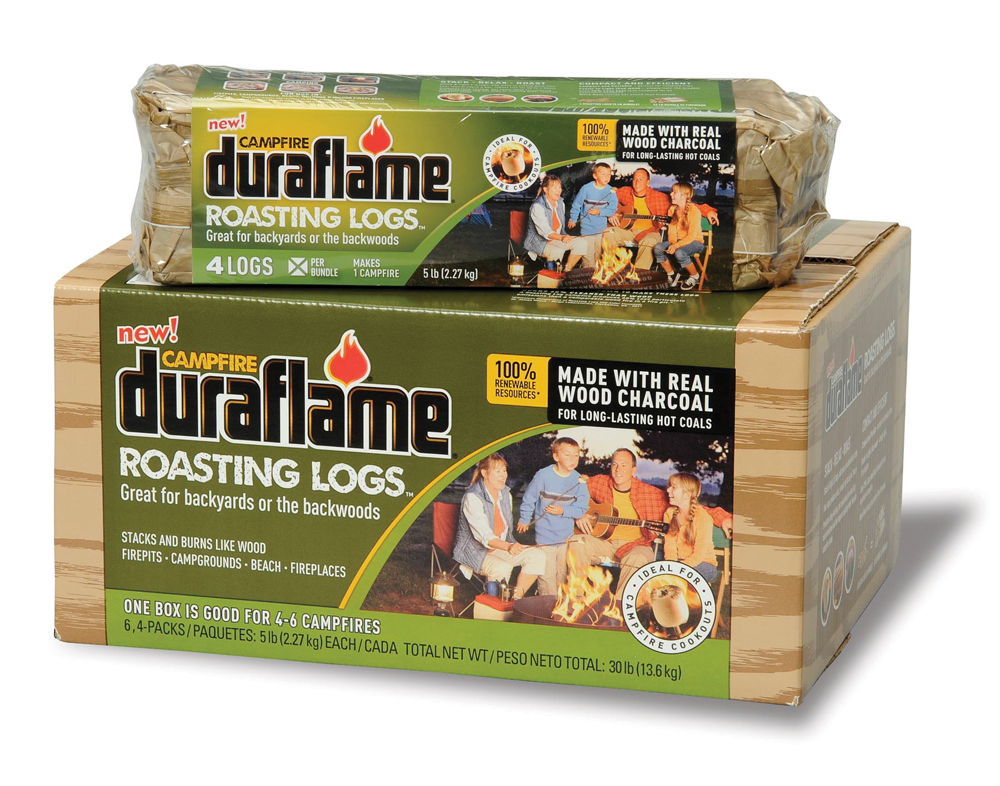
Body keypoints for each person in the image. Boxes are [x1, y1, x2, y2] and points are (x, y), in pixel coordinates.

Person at [568, 448, 667, 599]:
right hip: (604, 542)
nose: (618, 469)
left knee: (639, 558)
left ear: (633, 470)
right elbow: (574, 492)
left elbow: (682, 505)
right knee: (577, 542)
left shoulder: (651, 494)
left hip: (636, 545)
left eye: (623, 465)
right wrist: (579, 513)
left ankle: (621, 606)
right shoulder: (600, 483)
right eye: (614, 464)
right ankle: (575, 600)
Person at [452, 453, 545, 599]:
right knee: (502, 567)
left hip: (500, 547)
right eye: (497, 471)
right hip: (476, 551)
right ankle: (494, 607)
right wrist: (508, 546)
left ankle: (514, 599)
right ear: (484, 473)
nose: (503, 475)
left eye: (504, 470)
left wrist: (511, 545)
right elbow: (485, 536)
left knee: (537, 555)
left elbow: (505, 531)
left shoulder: (506, 495)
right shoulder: (472, 497)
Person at [517, 437, 590, 594]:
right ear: (556, 456)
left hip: (565, 538)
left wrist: (563, 511)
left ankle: (560, 604)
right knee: (546, 575)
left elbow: (582, 508)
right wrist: (524, 519)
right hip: (545, 537)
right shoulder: (543, 475)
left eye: (576, 455)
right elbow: (529, 498)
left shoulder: (579, 480)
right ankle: (546, 602)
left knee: (562, 574)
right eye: (567, 455)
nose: (573, 459)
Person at [606, 168, 718, 270]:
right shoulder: (624, 191)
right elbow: (605, 200)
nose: (637, 182)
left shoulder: (658, 197)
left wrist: (708, 211)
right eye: (635, 179)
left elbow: (686, 204)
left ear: (648, 182)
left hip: (650, 232)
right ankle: (606, 271)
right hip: (627, 231)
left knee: (650, 241)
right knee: (607, 234)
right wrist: (611, 213)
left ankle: (639, 275)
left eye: (641, 179)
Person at [524, 175, 590, 271]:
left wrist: (565, 235)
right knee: (557, 251)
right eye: (555, 188)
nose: (559, 190)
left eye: (560, 187)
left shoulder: (560, 203)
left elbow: (559, 227)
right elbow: (546, 232)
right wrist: (562, 238)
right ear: (545, 190)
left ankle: (567, 271)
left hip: (556, 238)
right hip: (540, 241)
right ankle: (551, 276)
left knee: (582, 242)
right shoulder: (537, 207)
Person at [662, 473, 718, 582]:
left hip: (704, 564)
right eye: (669, 486)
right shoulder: (669, 513)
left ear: (686, 495)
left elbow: (699, 554)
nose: (668, 490)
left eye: (673, 487)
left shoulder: (702, 517)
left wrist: (679, 568)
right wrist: (671, 565)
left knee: (678, 578)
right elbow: (670, 545)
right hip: (680, 563)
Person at [654, 182, 707, 290]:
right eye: (671, 191)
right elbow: (672, 231)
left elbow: (691, 236)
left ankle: (695, 276)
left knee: (679, 253)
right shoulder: (672, 209)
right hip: (679, 241)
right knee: (657, 249)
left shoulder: (694, 211)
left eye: (674, 192)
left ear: (684, 196)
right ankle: (672, 274)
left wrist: (676, 246)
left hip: (695, 242)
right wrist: (673, 243)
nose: (671, 194)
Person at [568, 162, 618, 266]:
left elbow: (612, 209)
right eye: (603, 174)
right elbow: (577, 204)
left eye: (609, 174)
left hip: (601, 230)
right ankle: (587, 273)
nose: (606, 177)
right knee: (588, 255)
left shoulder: (611, 191)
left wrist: (600, 212)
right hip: (586, 230)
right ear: (595, 176)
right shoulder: (586, 189)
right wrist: (573, 219)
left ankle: (597, 273)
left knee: (598, 255)